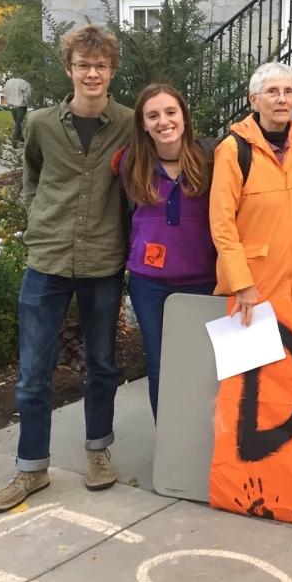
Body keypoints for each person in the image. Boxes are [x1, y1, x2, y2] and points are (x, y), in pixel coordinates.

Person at [0, 25, 134, 513]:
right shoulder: (42, 125)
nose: (92, 73)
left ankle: (98, 452)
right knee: (33, 371)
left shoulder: (131, 125)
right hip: (46, 262)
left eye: (101, 66)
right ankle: (31, 468)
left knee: (104, 365)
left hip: (104, 262)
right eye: (82, 65)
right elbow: (32, 180)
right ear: (69, 69)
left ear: (112, 71)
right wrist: (40, 221)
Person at [116, 84, 217, 421]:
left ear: (184, 118)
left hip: (204, 281)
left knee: (205, 365)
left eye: (171, 112)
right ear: (143, 124)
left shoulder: (211, 159)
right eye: (153, 115)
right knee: (161, 364)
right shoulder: (130, 163)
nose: (164, 121)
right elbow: (122, 217)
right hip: (150, 285)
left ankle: (202, 442)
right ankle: (169, 444)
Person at [210, 62, 292, 324]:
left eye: (288, 91)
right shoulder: (234, 150)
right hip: (254, 289)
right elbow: (222, 225)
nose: (282, 99)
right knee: (255, 365)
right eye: (272, 91)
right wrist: (242, 284)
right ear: (254, 101)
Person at [4, 75, 31, 145]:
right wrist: (28, 104)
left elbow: (5, 94)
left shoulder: (8, 82)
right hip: (21, 105)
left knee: (17, 122)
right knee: (18, 124)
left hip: (12, 106)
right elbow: (26, 95)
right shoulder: (24, 82)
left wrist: (9, 102)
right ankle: (15, 141)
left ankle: (21, 138)